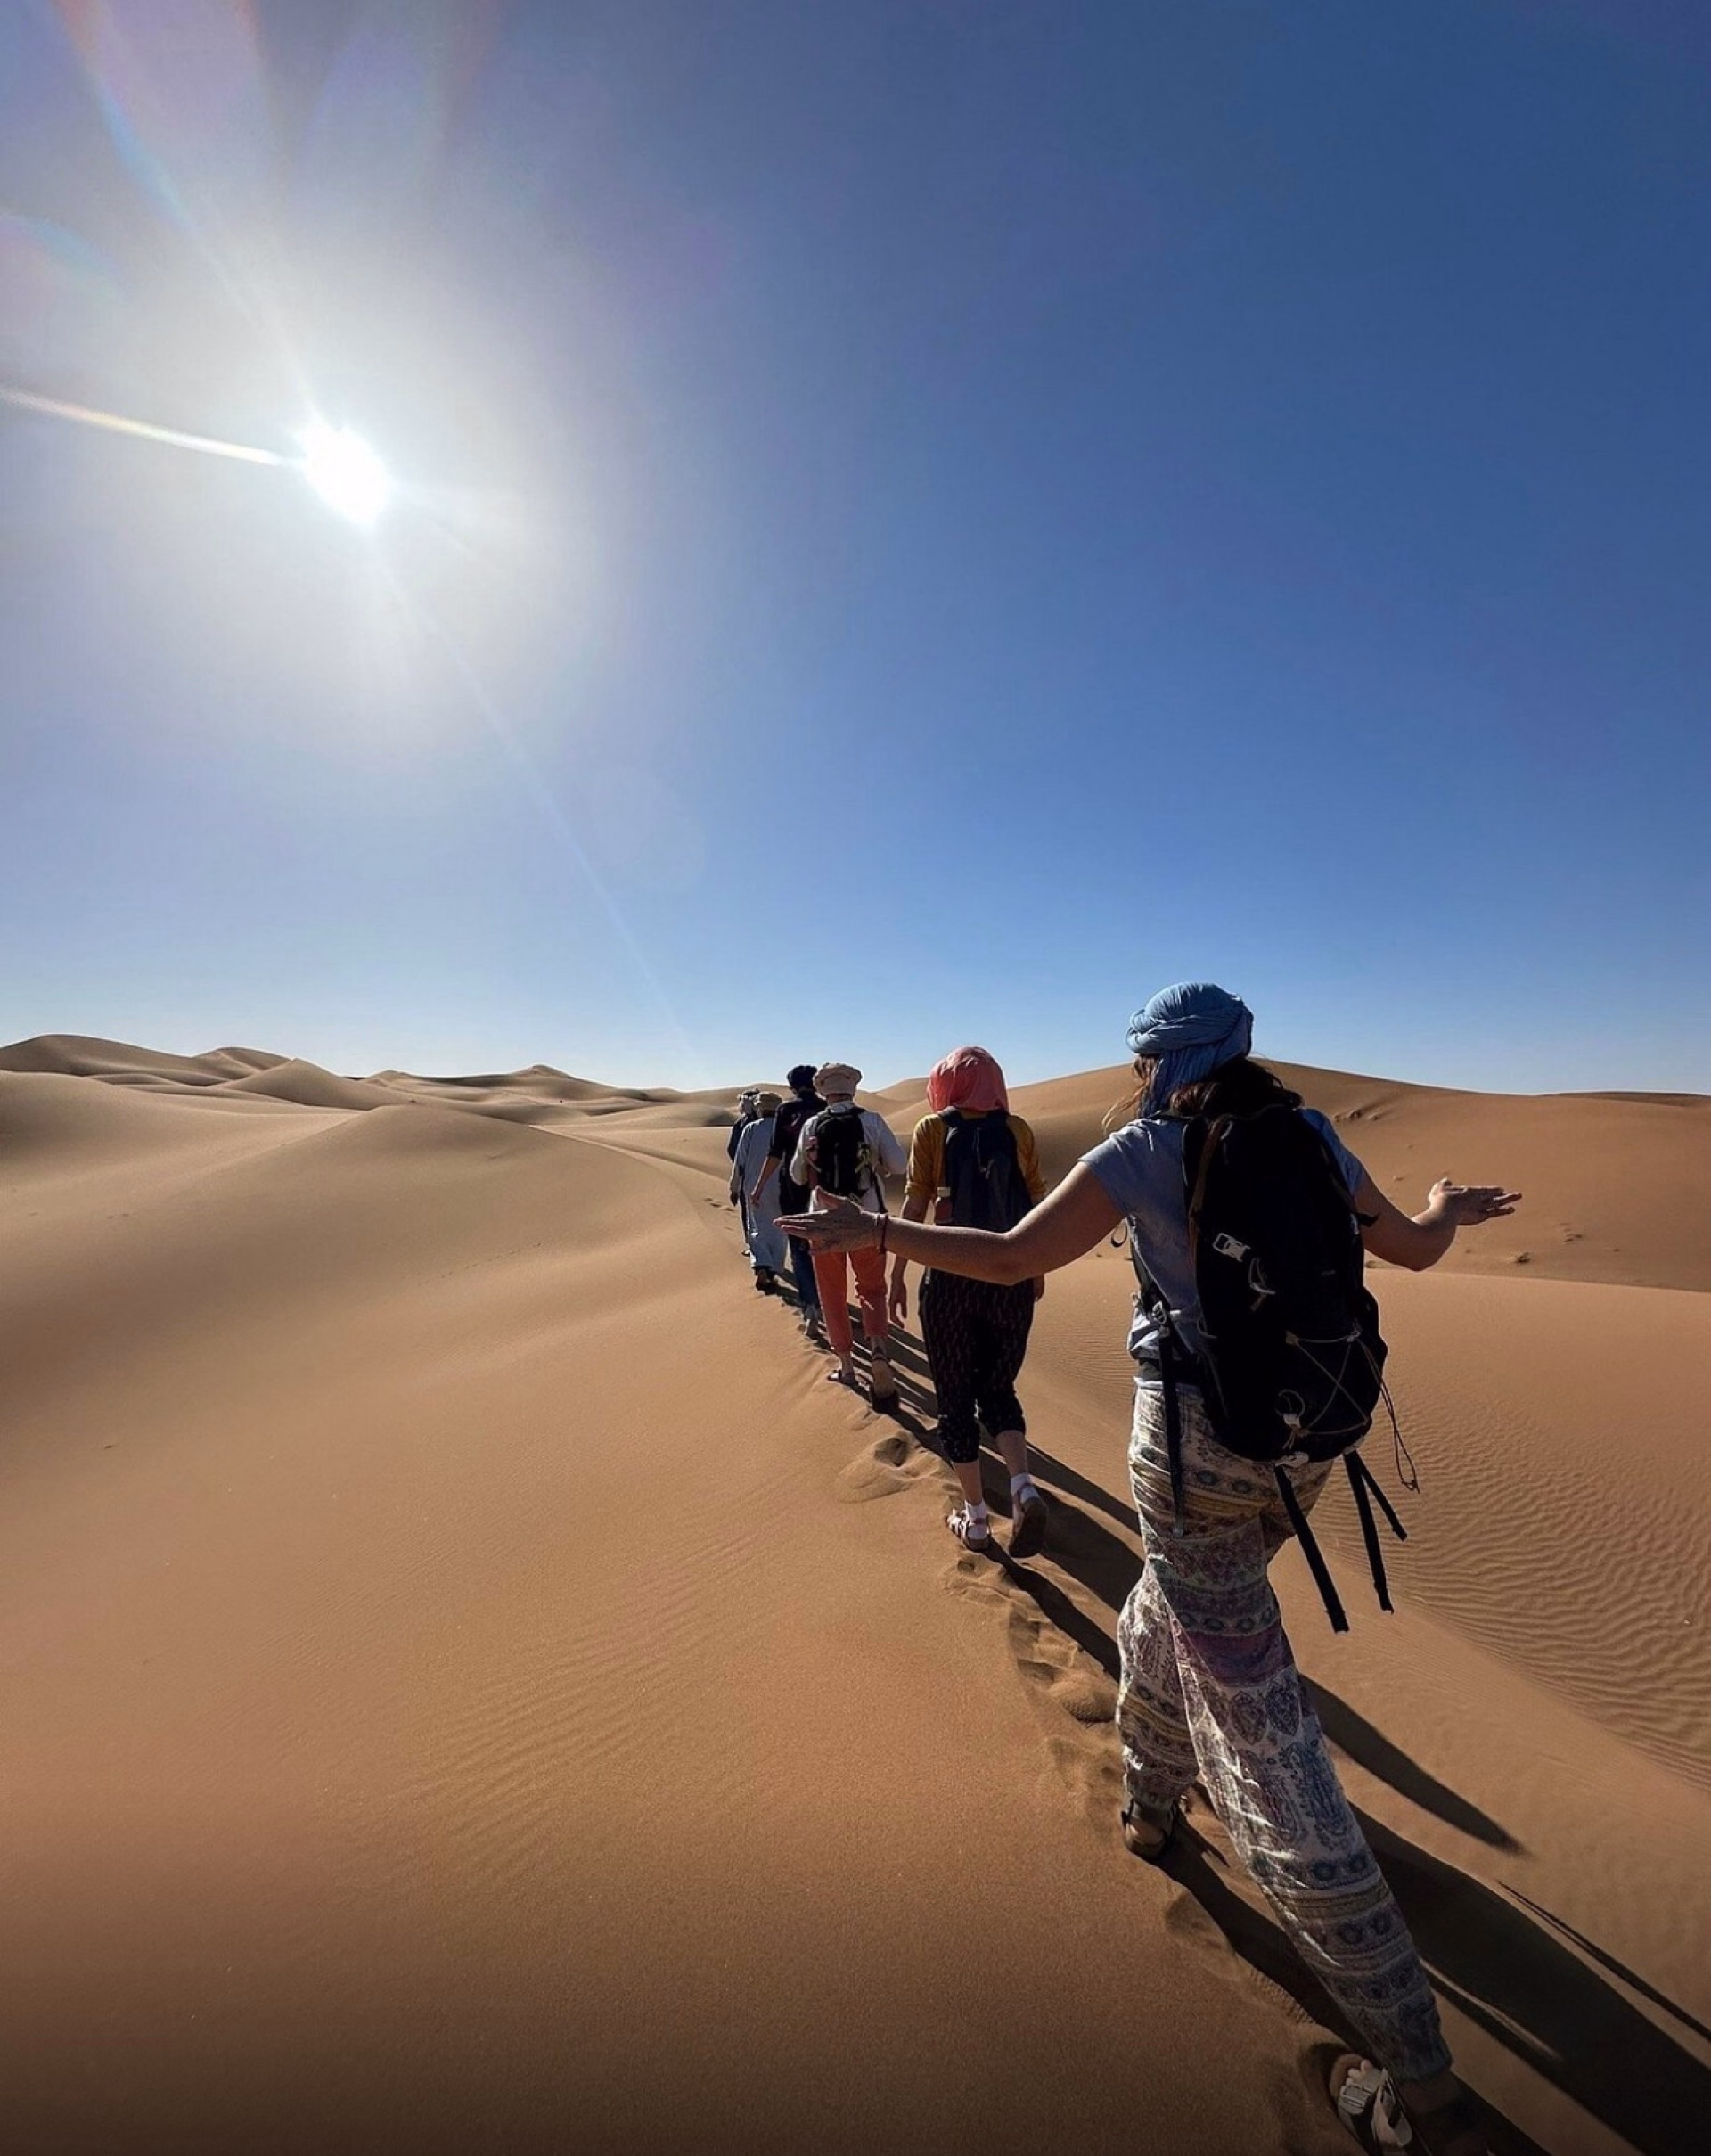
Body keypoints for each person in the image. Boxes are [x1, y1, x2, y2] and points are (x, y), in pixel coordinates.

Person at [780, 984, 1519, 2156]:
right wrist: (1441, 1205)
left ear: (1170, 1059)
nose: (1137, 1068)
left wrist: (874, 1234)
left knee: (1268, 1736)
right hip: (1312, 1447)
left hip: (1192, 1453)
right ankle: (1147, 1797)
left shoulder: (1150, 1146)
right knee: (1168, 1601)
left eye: (1144, 1054)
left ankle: (1423, 2078)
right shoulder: (1312, 1134)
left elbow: (1016, 1251)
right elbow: (1414, 1250)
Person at [889, 1046, 1050, 1557]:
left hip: (952, 1275)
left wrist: (897, 1271)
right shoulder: (1019, 1130)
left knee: (955, 1398)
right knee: (998, 1389)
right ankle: (1023, 1487)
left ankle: (977, 1518)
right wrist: (1035, 1268)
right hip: (1010, 1275)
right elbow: (1038, 1203)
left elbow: (915, 1204)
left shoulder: (932, 1129)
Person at [790, 1062, 907, 1400]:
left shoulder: (812, 1124)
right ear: (853, 1087)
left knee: (832, 1292)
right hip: (866, 1219)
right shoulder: (871, 1121)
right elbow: (899, 1165)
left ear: (823, 1090)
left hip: (823, 1221)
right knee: (871, 1289)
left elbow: (798, 1175)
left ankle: (846, 1366)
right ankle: (878, 1349)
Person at [750, 1063, 827, 1337]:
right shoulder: (826, 1108)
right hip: (827, 1190)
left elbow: (776, 1153)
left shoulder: (786, 1111)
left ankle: (811, 1309)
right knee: (828, 1250)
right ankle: (831, 1305)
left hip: (792, 1189)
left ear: (793, 1087)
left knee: (799, 1248)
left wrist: (759, 1186)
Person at [729, 1090, 787, 1291]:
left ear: (760, 1108)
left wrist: (734, 1187)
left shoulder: (751, 1129)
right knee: (780, 1228)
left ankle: (762, 1265)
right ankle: (772, 1269)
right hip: (782, 1186)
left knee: (756, 1226)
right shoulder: (785, 1129)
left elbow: (739, 1161)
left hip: (753, 1186)